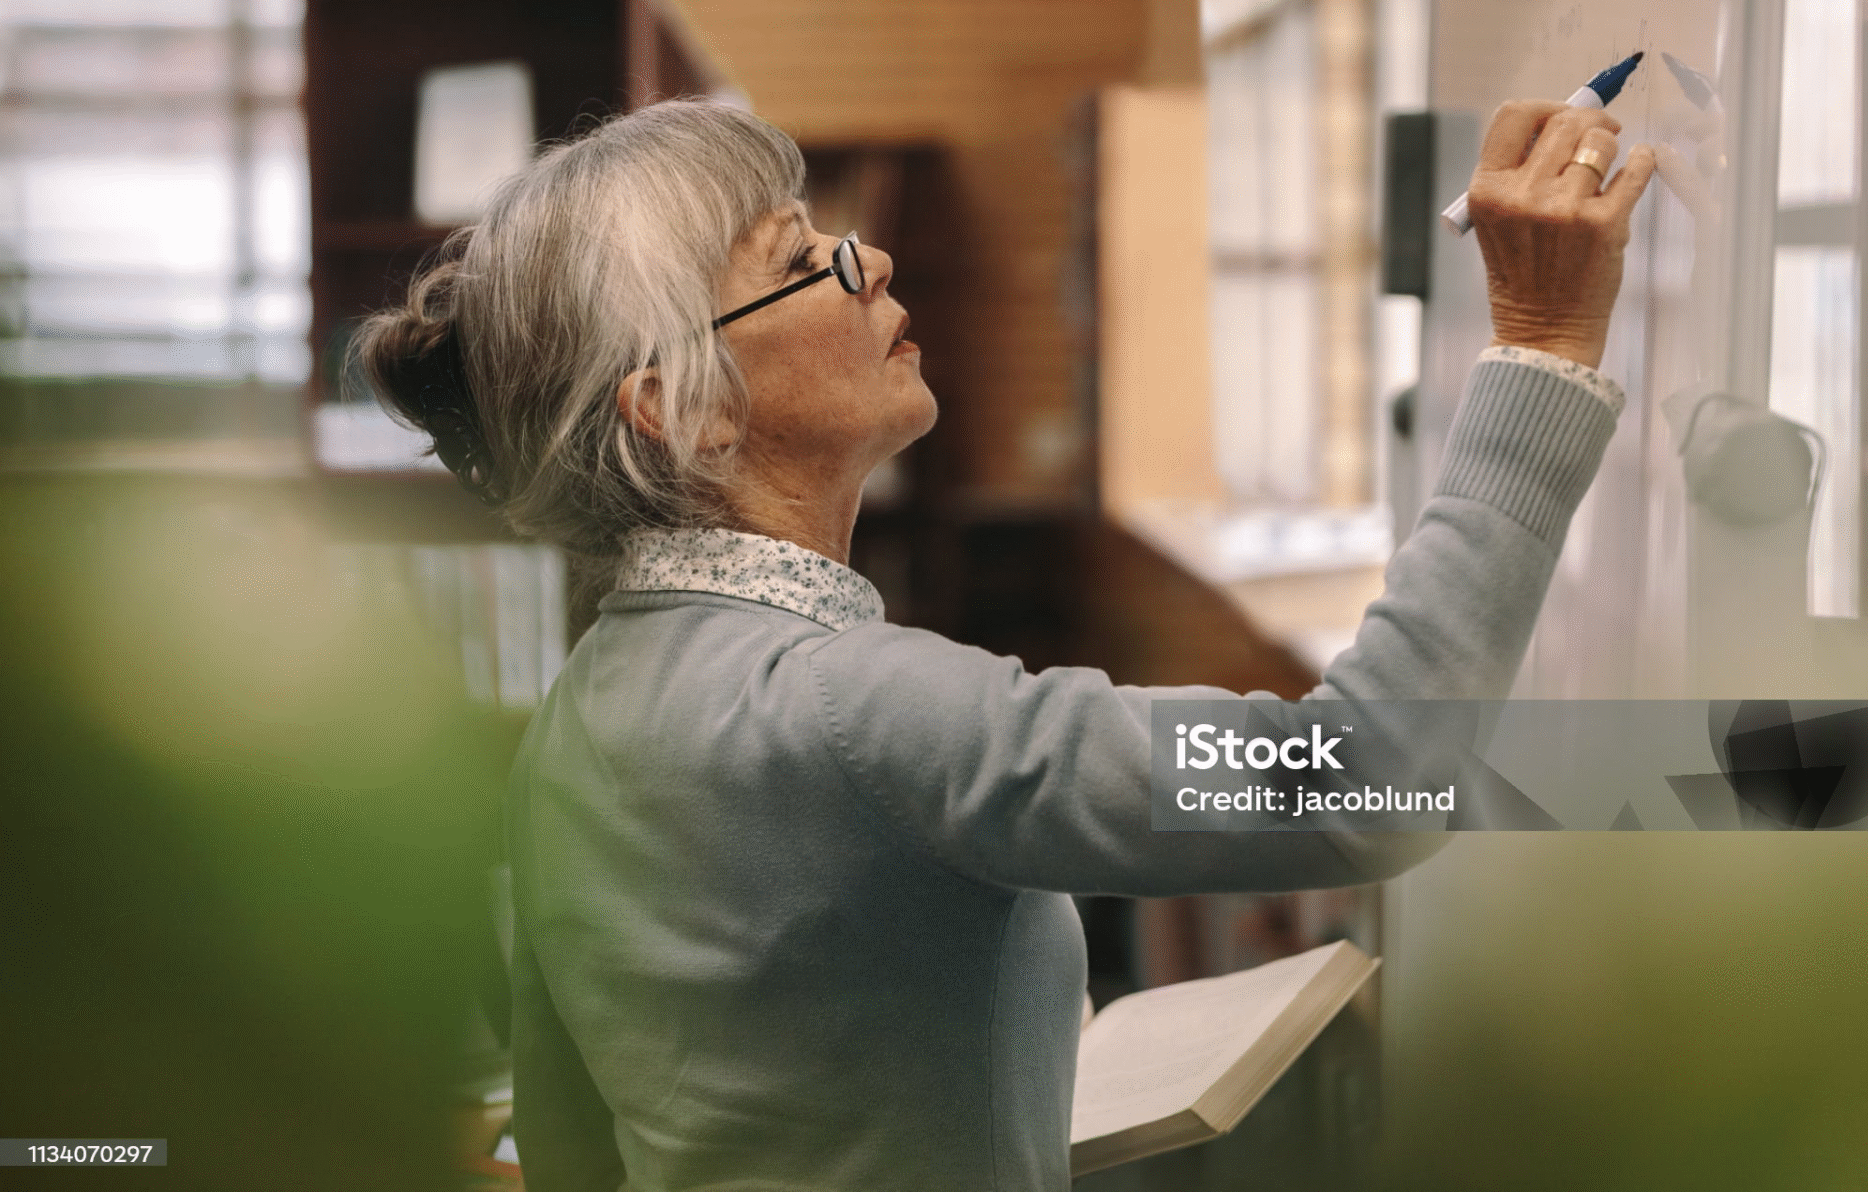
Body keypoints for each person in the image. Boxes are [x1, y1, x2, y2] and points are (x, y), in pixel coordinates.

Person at [354, 97, 1655, 1191]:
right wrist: (1538, 355)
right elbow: (1363, 778)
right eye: (801, 260)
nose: (871, 263)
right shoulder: (860, 710)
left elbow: (581, 1153)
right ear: (683, 415)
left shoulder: (582, 712)